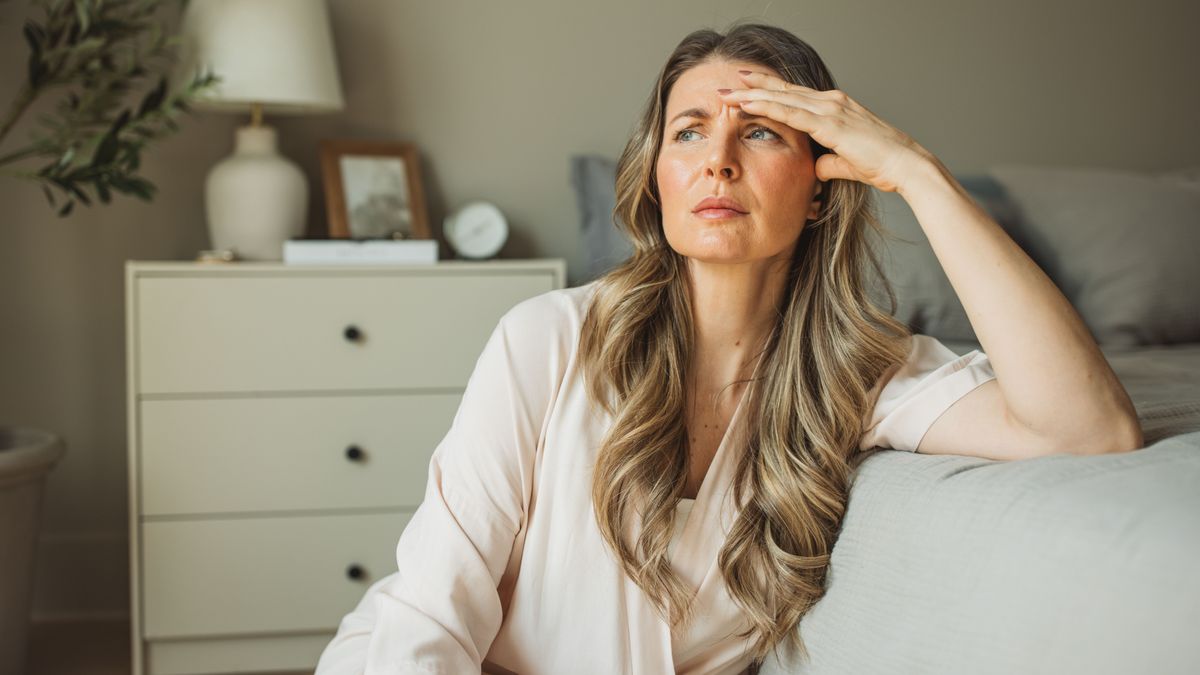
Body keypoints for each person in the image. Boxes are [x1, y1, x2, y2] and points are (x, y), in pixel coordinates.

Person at [314, 21, 1141, 675]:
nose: (717, 161)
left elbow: (1087, 428)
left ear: (819, 190)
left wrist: (914, 171)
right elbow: (431, 612)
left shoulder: (853, 374)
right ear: (657, 179)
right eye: (689, 132)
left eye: (762, 133)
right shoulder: (547, 341)